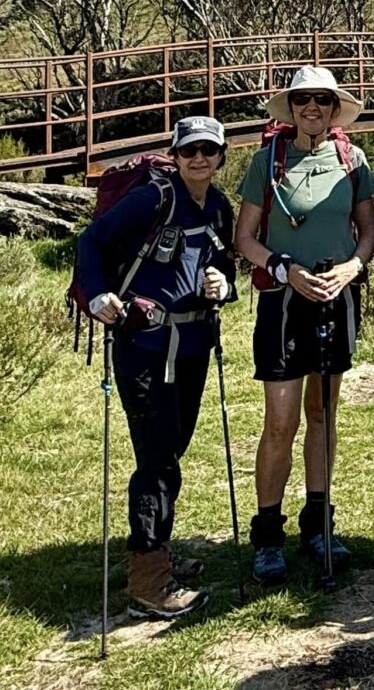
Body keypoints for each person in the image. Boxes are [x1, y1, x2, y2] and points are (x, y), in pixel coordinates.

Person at [76, 116, 236, 619]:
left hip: (191, 345)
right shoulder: (152, 199)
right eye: (190, 151)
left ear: (220, 157)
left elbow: (225, 263)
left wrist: (223, 284)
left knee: (172, 448)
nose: (199, 159)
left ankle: (156, 547)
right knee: (157, 458)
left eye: (209, 151)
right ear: (175, 153)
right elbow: (92, 241)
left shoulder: (218, 206)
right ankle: (148, 579)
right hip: (144, 345)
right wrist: (98, 293)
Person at [235, 65, 374, 585]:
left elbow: (368, 230)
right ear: (291, 108)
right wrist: (283, 269)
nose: (312, 108)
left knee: (323, 413)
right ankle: (268, 535)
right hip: (283, 299)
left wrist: (352, 268)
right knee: (281, 421)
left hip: (335, 297)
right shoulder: (266, 161)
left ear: (335, 107)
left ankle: (318, 525)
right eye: (303, 100)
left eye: (322, 100)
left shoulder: (352, 160)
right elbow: (244, 236)